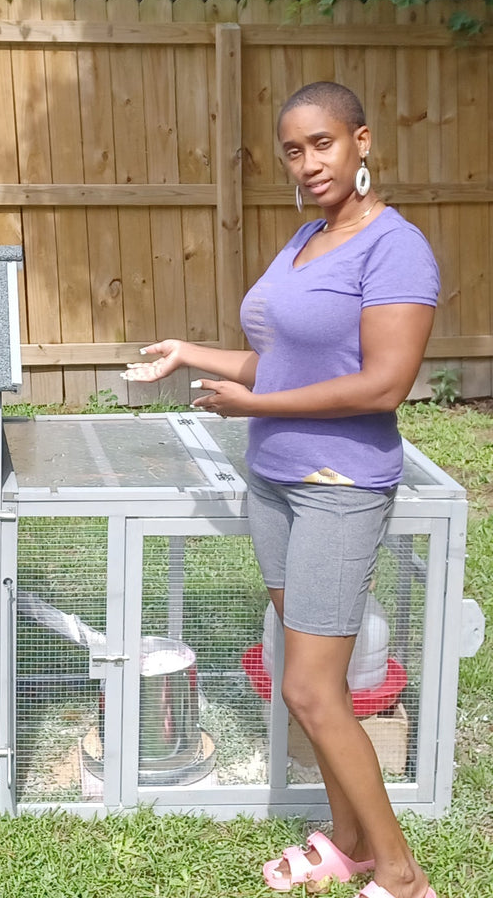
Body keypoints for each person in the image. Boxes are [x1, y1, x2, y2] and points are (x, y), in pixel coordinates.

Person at [122, 81, 439, 898]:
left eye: (323, 144)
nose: (308, 163)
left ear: (362, 142)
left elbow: (382, 385)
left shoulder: (394, 248)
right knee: (302, 677)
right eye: (294, 150)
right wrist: (192, 352)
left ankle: (402, 876)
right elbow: (281, 366)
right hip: (273, 480)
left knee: (307, 685)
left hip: (339, 485)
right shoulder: (302, 241)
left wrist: (254, 405)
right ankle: (349, 840)